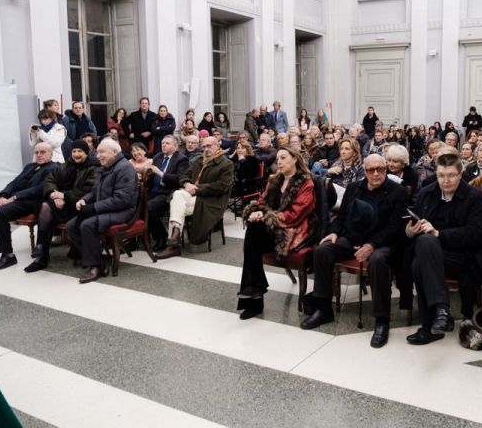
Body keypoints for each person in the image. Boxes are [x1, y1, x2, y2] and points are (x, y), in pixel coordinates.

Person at [300, 153, 407, 348]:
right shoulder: (354, 188)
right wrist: (333, 233)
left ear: (385, 169)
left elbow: (395, 228)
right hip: (353, 238)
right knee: (322, 251)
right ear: (364, 171)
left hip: (383, 243)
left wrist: (372, 245)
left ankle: (382, 320)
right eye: (371, 170)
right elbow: (341, 217)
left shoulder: (397, 191)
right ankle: (323, 308)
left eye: (380, 169)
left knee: (377, 260)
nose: (376, 173)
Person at [405, 153, 482, 345]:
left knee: (423, 253)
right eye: (441, 175)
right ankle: (441, 314)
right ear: (436, 173)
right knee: (422, 252)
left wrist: (439, 234)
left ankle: (432, 322)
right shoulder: (427, 192)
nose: (446, 180)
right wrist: (410, 231)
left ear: (460, 174)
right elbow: (413, 221)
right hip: (432, 253)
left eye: (451, 175)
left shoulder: (475, 197)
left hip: (463, 256)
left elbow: (476, 235)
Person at [238, 147, 319, 319]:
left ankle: (254, 298)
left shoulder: (306, 183)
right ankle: (254, 293)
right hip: (271, 227)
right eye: (277, 159)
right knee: (253, 230)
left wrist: (268, 216)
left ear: (295, 159)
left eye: (283, 158)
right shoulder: (275, 180)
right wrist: (258, 211)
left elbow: (296, 214)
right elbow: (262, 202)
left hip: (293, 229)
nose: (279, 162)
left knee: (253, 237)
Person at [66, 139, 137, 284]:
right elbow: (94, 191)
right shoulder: (105, 167)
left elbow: (122, 200)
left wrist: (93, 208)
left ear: (114, 152)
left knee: (87, 225)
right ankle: (99, 258)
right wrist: (84, 200)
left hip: (123, 211)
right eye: (97, 152)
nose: (97, 156)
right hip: (106, 208)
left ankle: (95, 266)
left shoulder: (125, 168)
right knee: (71, 226)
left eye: (101, 152)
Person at [154, 136, 234, 260]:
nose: (206, 149)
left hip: (211, 200)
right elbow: (184, 175)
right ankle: (175, 236)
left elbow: (222, 186)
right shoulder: (199, 160)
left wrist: (197, 188)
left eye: (209, 146)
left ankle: (174, 244)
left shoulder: (226, 164)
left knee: (177, 204)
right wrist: (186, 183)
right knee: (177, 195)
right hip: (191, 195)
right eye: (204, 146)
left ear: (217, 146)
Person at [25, 140, 97, 272]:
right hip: (62, 204)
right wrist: (54, 194)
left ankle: (43, 253)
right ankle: (42, 255)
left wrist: (64, 196)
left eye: (80, 151)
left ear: (87, 153)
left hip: (79, 206)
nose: (76, 154)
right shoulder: (64, 166)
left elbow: (89, 189)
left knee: (47, 209)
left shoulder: (94, 167)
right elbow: (49, 180)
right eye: (74, 151)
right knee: (45, 207)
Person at [145, 135, 189, 251]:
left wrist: (160, 173)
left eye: (167, 143)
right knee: (133, 204)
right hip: (152, 191)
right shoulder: (158, 156)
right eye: (163, 143)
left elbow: (179, 179)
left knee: (149, 208)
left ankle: (161, 237)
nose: (163, 145)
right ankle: (139, 239)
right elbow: (150, 176)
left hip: (168, 193)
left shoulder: (181, 159)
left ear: (175, 146)